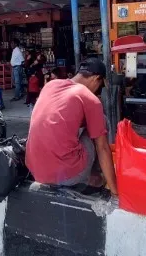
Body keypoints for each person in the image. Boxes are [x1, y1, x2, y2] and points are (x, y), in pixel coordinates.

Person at [26, 58, 117, 195]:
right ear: (96, 79)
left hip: (35, 169)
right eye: (100, 87)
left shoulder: (51, 85)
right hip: (66, 175)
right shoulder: (89, 98)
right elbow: (102, 148)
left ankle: (84, 175)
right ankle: (92, 178)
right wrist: (115, 192)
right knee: (102, 121)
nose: (97, 92)